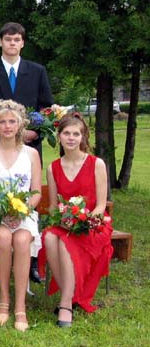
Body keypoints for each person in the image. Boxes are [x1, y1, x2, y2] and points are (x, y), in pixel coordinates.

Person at [0, 22, 55, 282]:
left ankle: (30, 262)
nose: (12, 43)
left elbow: (46, 109)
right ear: (0, 42)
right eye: (8, 39)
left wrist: (34, 132)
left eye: (17, 39)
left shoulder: (37, 71)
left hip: (28, 146)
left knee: (27, 196)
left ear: (22, 43)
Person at [0, 100, 42, 332]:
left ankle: (20, 306)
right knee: (3, 237)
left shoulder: (31, 154)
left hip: (24, 214)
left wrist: (21, 211)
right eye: (2, 121)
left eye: (12, 121)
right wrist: (0, 212)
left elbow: (36, 192)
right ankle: (4, 299)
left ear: (20, 124)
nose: (7, 126)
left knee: (22, 240)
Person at [40, 113, 113, 326]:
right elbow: (53, 206)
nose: (71, 138)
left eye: (76, 134)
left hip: (93, 223)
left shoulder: (96, 164)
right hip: (64, 221)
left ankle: (65, 304)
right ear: (59, 136)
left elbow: (101, 205)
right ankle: (72, 295)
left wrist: (84, 221)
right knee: (49, 237)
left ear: (83, 137)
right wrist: (62, 220)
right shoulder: (53, 168)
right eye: (66, 133)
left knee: (65, 242)